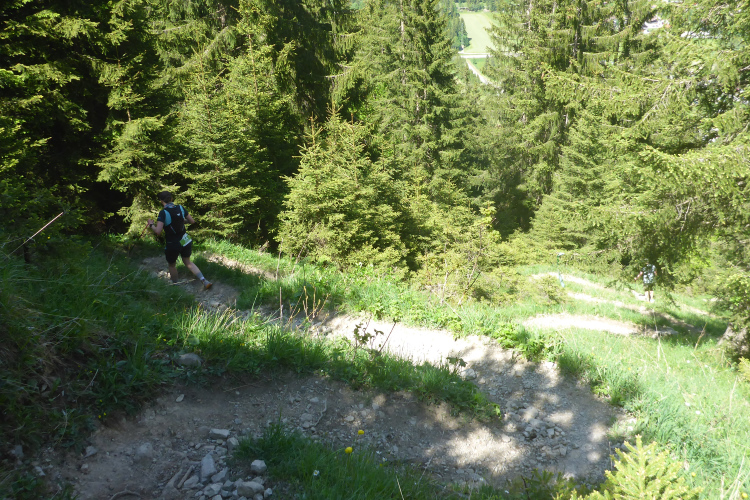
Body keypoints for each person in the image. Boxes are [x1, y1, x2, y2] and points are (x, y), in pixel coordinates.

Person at [147, 191, 212, 290]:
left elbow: (158, 231)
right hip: (185, 239)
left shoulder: (163, 213)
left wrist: (151, 224)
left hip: (173, 243)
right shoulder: (180, 207)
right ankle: (204, 280)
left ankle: (175, 287)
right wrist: (180, 221)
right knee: (188, 262)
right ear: (171, 199)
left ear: (161, 201)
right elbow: (192, 221)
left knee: (172, 265)